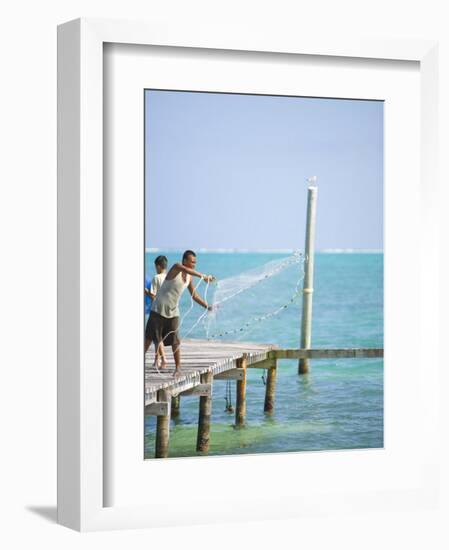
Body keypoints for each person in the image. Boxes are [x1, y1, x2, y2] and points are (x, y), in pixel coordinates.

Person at [145, 250, 215, 377]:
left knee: (176, 341)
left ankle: (178, 368)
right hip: (158, 309)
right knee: (149, 339)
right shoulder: (176, 267)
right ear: (184, 261)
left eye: (195, 262)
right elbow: (186, 269)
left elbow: (194, 295)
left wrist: (207, 306)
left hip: (173, 311)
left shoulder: (189, 277)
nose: (194, 264)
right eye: (192, 262)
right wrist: (203, 276)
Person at [144, 255, 168, 366]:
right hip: (167, 310)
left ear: (158, 266)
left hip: (156, 311)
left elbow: (153, 296)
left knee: (156, 337)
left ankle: (163, 359)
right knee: (156, 336)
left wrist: (146, 291)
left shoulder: (156, 278)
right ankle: (156, 360)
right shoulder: (169, 278)